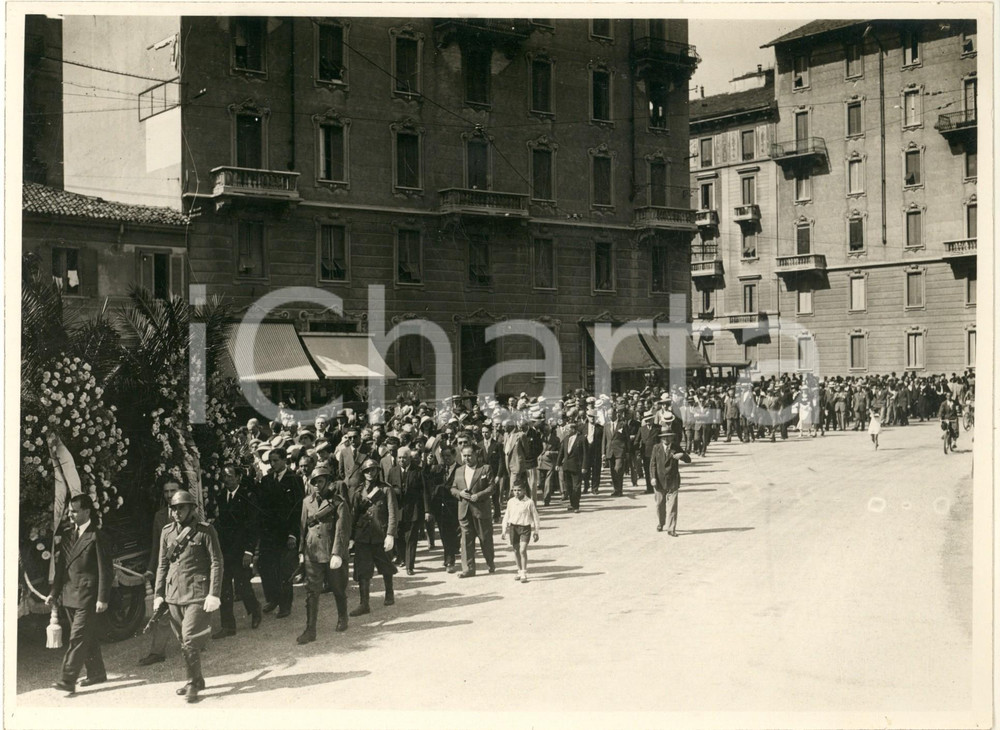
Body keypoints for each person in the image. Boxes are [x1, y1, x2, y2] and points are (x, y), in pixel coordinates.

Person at [153, 490, 223, 703]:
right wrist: (158, 594)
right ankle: (197, 679)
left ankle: (192, 683)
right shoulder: (167, 532)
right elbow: (162, 564)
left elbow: (216, 562)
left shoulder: (205, 531)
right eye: (173, 508)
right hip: (174, 595)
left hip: (196, 593)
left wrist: (214, 593)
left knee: (190, 637)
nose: (176, 512)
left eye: (181, 508)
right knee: (184, 640)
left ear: (192, 508)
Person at [47, 494, 112, 694]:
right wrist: (54, 593)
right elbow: (61, 568)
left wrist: (102, 598)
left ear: (87, 511)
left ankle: (67, 679)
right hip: (69, 595)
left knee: (77, 638)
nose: (70, 514)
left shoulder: (97, 536)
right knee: (87, 636)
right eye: (70, 511)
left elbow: (105, 570)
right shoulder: (68, 535)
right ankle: (97, 673)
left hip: (88, 596)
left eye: (74, 511)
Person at [297, 466, 352, 643]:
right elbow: (302, 528)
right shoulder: (307, 502)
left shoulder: (338, 502)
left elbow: (342, 529)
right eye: (314, 482)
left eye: (320, 481)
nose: (317, 485)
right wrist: (301, 551)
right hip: (312, 553)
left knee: (337, 587)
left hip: (331, 553)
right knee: (312, 592)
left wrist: (337, 553)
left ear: (328, 482)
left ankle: (342, 617)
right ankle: (310, 629)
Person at [213, 466, 262, 639]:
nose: (226, 479)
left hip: (241, 550)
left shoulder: (248, 496)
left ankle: (255, 610)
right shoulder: (221, 497)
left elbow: (253, 526)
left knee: (242, 585)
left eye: (230, 476)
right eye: (224, 476)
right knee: (224, 587)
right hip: (225, 550)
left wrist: (249, 551)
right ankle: (228, 626)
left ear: (238, 477)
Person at [138, 477, 181, 666]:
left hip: (186, 571)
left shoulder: (191, 513)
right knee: (162, 610)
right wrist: (150, 569)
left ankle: (195, 642)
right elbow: (157, 546)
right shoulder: (159, 516)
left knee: (185, 610)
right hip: (167, 572)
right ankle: (157, 652)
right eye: (166, 491)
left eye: (173, 490)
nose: (169, 495)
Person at [256, 447, 303, 619]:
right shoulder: (266, 480)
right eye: (271, 461)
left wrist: (293, 534)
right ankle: (273, 599)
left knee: (284, 570)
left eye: (276, 460)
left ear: (284, 460)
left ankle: (285, 605)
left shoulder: (295, 479)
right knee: (267, 567)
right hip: (269, 533)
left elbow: (298, 509)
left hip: (286, 533)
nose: (273, 464)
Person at [348, 459, 399, 615]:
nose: (370, 473)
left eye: (373, 470)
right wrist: (351, 537)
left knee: (385, 565)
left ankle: (389, 593)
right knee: (363, 569)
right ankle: (364, 604)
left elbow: (393, 513)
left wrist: (390, 534)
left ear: (378, 471)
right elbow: (354, 515)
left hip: (380, 535)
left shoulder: (386, 490)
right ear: (363, 473)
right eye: (367, 471)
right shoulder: (359, 491)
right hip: (363, 536)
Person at [451, 443, 496, 578]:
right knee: (466, 541)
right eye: (464, 456)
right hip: (464, 510)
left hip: (480, 510)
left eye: (469, 455)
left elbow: (492, 487)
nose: (467, 458)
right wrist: (460, 493)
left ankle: (490, 562)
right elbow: (453, 488)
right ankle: (468, 569)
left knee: (485, 539)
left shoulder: (485, 468)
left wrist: (479, 495)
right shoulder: (459, 471)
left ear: (476, 455)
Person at [649, 424, 691, 536]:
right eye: (664, 437)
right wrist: (653, 477)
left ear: (672, 437)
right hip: (659, 480)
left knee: (672, 506)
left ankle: (671, 529)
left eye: (668, 436)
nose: (666, 439)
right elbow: (652, 464)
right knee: (659, 505)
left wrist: (682, 455)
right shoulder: (656, 448)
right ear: (661, 438)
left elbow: (688, 460)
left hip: (673, 480)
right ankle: (661, 522)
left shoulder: (676, 447)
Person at [425, 445, 460, 572]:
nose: (446, 458)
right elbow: (426, 480)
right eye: (443, 456)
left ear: (454, 455)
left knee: (454, 533)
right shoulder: (437, 469)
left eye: (448, 456)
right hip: (440, 507)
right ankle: (449, 560)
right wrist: (428, 465)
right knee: (445, 534)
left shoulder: (460, 469)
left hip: (455, 506)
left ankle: (452, 553)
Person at [501, 476, 540, 583]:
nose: (516, 492)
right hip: (513, 528)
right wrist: (504, 530)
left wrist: (536, 531)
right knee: (516, 550)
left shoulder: (529, 502)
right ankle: (519, 570)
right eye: (514, 490)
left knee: (522, 550)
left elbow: (535, 517)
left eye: (519, 490)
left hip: (525, 528)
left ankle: (524, 572)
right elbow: (506, 516)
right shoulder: (510, 502)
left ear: (524, 490)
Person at [555, 419, 588, 513]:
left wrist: (584, 466)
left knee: (576, 487)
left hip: (577, 466)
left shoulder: (582, 439)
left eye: (568, 429)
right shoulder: (566, 439)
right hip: (566, 466)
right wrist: (558, 464)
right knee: (569, 487)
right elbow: (561, 452)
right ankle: (572, 504)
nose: (566, 431)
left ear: (573, 429)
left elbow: (585, 454)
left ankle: (576, 506)